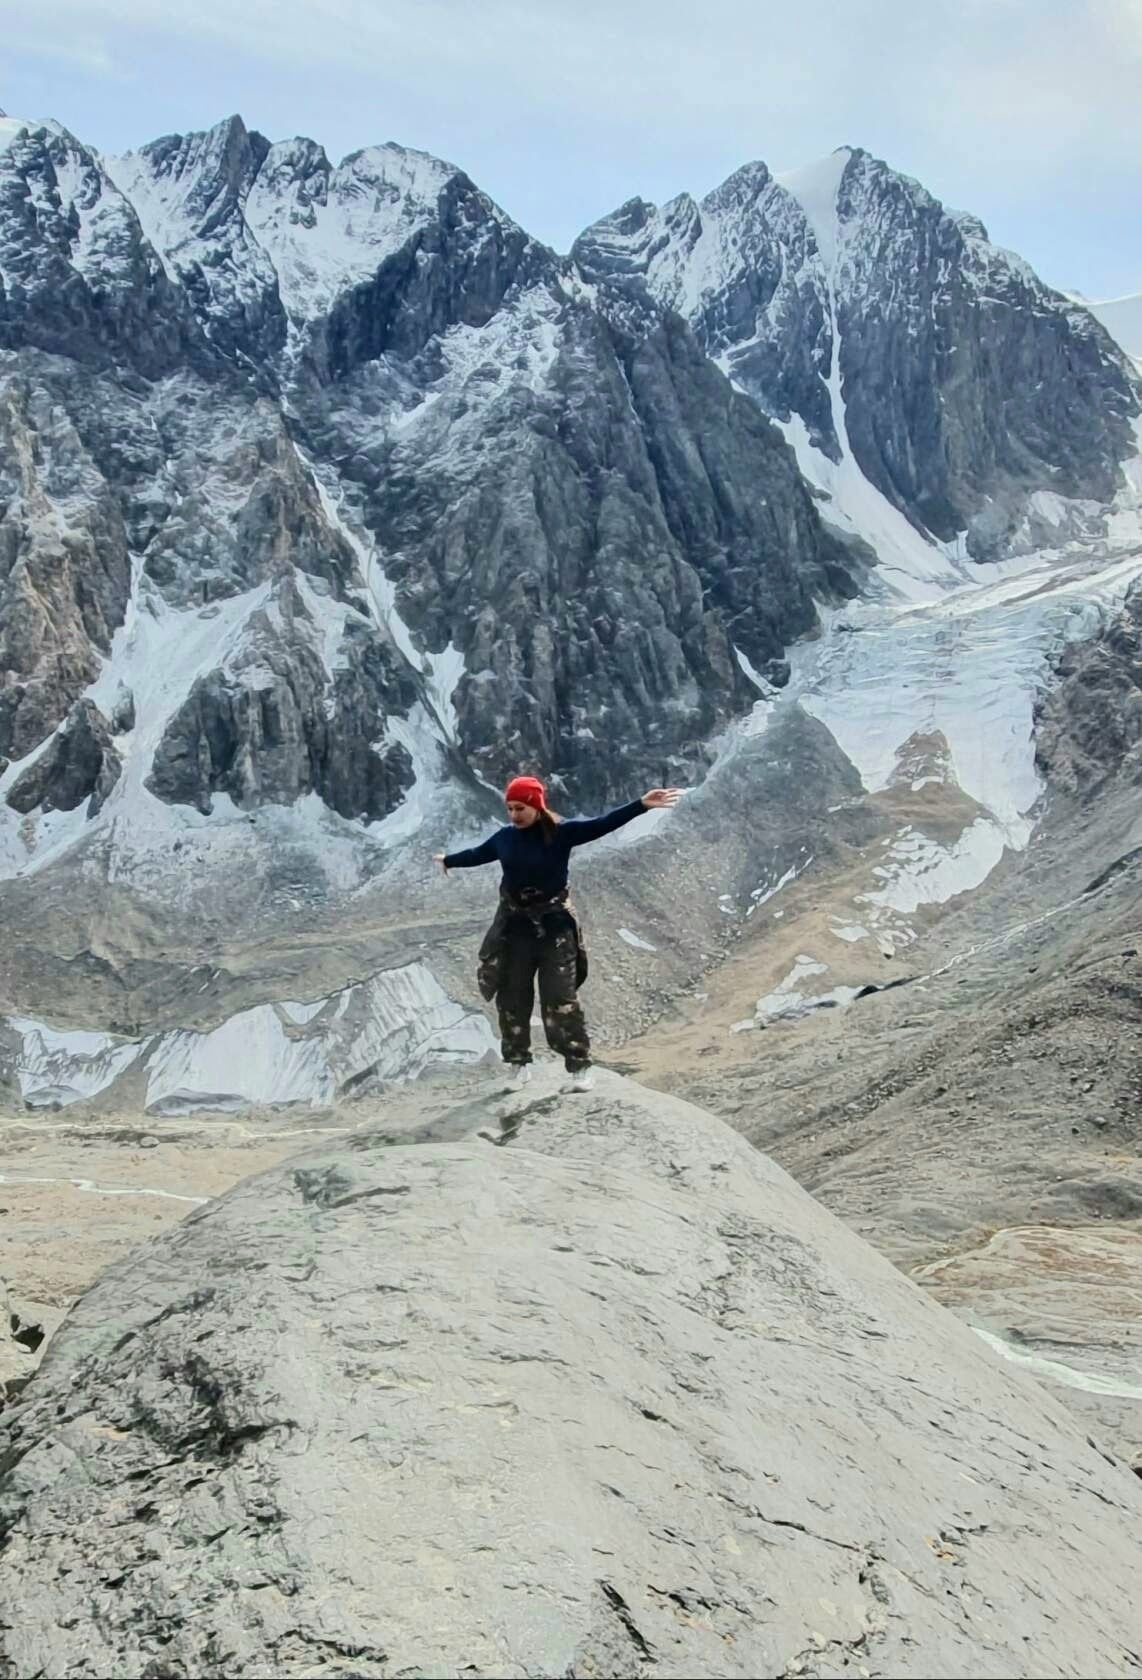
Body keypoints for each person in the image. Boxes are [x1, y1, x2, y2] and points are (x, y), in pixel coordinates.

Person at [433, 776, 681, 1092]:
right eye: (510, 808)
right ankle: (518, 1065)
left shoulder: (562, 834)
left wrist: (641, 805)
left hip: (555, 930)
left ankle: (579, 1068)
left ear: (536, 806)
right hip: (516, 930)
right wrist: (449, 861)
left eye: (520, 808)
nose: (514, 814)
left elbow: (603, 824)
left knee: (560, 998)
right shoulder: (504, 838)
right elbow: (477, 854)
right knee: (512, 998)